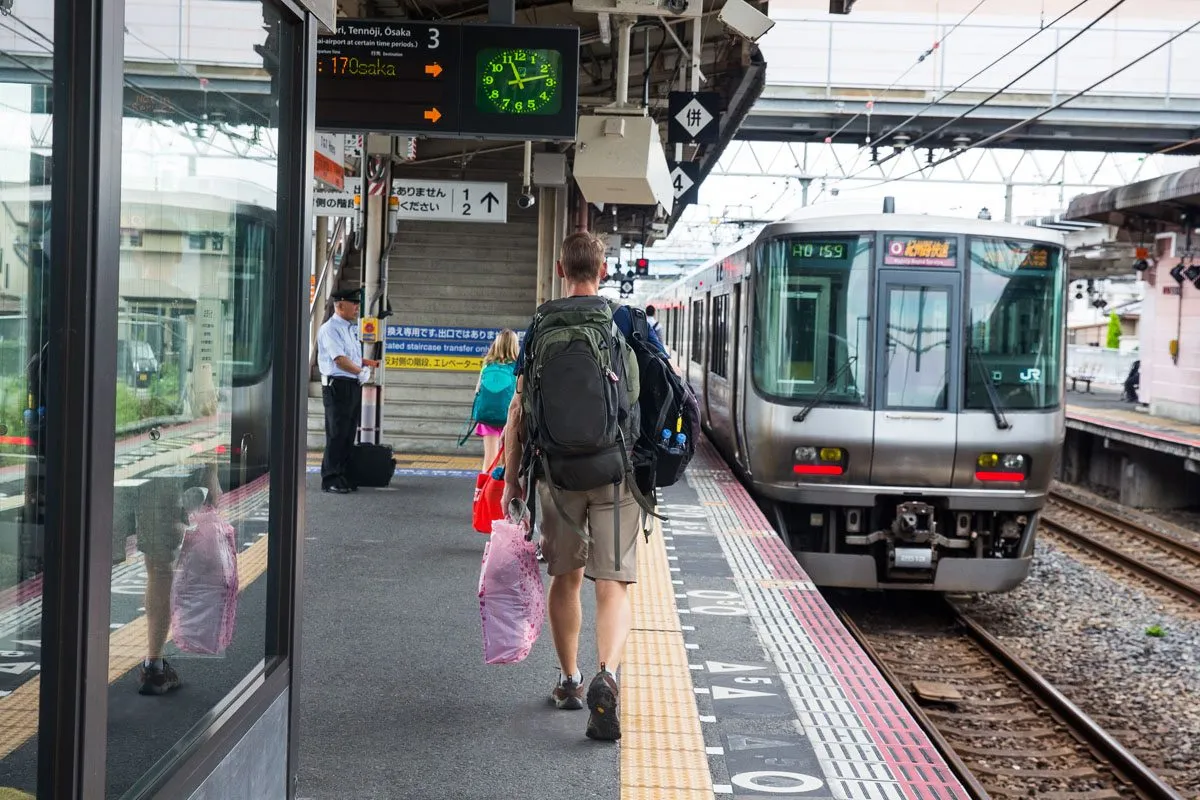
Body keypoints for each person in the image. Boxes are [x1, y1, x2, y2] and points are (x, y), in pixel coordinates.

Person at [502, 231, 667, 742]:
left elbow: (518, 410)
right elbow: (659, 392)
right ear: (603, 270)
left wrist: (511, 482)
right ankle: (608, 675)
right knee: (613, 582)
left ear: (560, 269)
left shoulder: (539, 326)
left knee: (565, 577)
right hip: (617, 472)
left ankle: (570, 680)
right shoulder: (626, 321)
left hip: (557, 474)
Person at [317, 287, 379, 494]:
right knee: (337, 432)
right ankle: (330, 478)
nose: (357, 307)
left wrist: (365, 363)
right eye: (354, 304)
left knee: (348, 432)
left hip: (351, 384)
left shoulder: (349, 328)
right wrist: (361, 372)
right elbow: (340, 360)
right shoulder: (330, 329)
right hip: (337, 385)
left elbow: (351, 356)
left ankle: (342, 474)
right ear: (340, 305)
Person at [473, 329, 519, 472]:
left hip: (488, 417)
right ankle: (504, 485)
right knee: (508, 459)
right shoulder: (517, 367)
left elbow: (477, 390)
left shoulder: (488, 365)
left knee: (490, 458)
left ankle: (485, 485)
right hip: (510, 418)